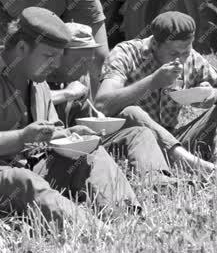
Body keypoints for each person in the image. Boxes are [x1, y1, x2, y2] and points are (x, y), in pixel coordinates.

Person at [0, 7, 140, 231]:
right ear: (21, 48)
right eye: (49, 56)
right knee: (22, 182)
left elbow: (49, 134)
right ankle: (95, 232)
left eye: (59, 57)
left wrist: (69, 135)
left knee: (92, 156)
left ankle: (129, 219)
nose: (56, 65)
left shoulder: (37, 82)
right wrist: (21, 138)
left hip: (22, 168)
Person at [95, 11, 217, 176]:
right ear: (154, 44)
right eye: (174, 54)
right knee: (131, 112)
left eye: (186, 52)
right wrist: (151, 82)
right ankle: (198, 166)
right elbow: (102, 105)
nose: (181, 59)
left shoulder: (191, 59)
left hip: (172, 137)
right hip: (136, 141)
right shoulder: (126, 53)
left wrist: (215, 94)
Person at [47, 23, 182, 185]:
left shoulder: (80, 78)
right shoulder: (39, 76)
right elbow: (30, 101)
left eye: (89, 61)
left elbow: (84, 119)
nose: (86, 68)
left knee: (139, 133)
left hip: (79, 144)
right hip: (51, 152)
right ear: (59, 55)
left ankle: (157, 179)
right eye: (80, 61)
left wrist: (97, 123)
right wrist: (67, 94)